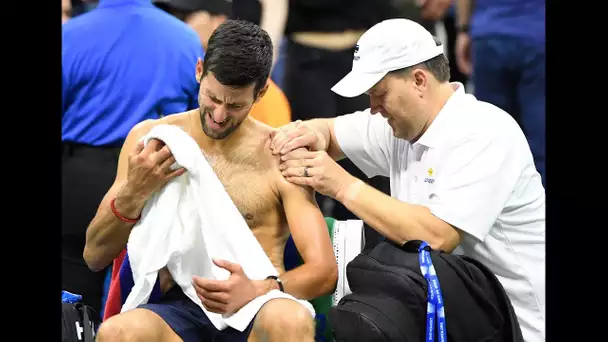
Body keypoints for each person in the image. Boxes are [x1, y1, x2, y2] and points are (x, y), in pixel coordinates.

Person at [270, 18, 545, 342]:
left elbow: (437, 236)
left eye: (379, 94)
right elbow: (329, 131)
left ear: (418, 81)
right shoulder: (400, 124)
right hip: (447, 306)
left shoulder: (483, 132)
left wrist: (343, 185)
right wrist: (303, 135)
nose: (372, 107)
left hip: (515, 324)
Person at [84, 19, 337, 342]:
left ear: (260, 93)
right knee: (119, 333)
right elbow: (94, 254)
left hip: (258, 303)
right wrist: (135, 192)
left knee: (290, 319)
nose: (219, 116)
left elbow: (324, 271)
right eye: (212, 98)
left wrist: (258, 289)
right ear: (199, 71)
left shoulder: (279, 153)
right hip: (178, 308)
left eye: (234, 106)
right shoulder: (151, 141)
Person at [62, 0, 203, 315]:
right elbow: (200, 122)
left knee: (71, 308)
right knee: (145, 300)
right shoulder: (184, 38)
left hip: (82, 176)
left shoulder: (70, 35)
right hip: (158, 178)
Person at [154, 0, 292, 127]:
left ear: (218, 21)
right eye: (171, 15)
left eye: (184, 16)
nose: (174, 24)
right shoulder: (181, 71)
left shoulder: (252, 89)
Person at [454, 0, 545, 187]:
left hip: (489, 33)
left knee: (491, 137)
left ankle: (495, 204)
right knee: (540, 135)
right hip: (537, 35)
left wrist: (463, 30)